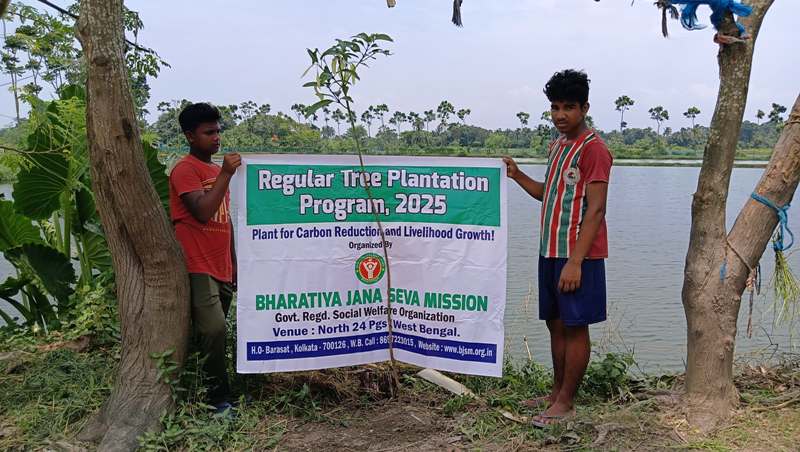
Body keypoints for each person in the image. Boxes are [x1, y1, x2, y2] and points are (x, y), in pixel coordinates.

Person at [503, 69, 612, 427]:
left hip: (578, 255)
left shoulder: (594, 149)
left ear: (584, 108)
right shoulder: (557, 146)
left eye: (568, 107)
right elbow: (547, 195)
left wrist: (576, 262)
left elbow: (596, 210)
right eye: (555, 107)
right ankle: (555, 394)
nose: (560, 115)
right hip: (549, 250)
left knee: (575, 326)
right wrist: (518, 175)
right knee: (556, 324)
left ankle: (566, 402)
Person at [169, 102, 241, 414]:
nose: (216, 138)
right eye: (208, 133)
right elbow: (201, 211)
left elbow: (226, 219)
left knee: (213, 333)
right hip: (197, 265)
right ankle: (217, 399)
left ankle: (206, 386)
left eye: (217, 131)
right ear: (190, 136)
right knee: (214, 330)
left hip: (221, 265)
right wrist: (226, 172)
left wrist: (234, 262)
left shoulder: (214, 171)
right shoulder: (185, 169)